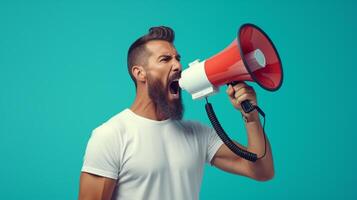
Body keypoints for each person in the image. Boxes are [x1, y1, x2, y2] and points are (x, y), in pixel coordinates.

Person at [78, 26, 274, 200]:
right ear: (140, 73)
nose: (178, 66)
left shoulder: (198, 133)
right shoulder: (111, 136)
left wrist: (251, 116)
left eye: (178, 58)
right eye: (165, 59)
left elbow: (262, 170)